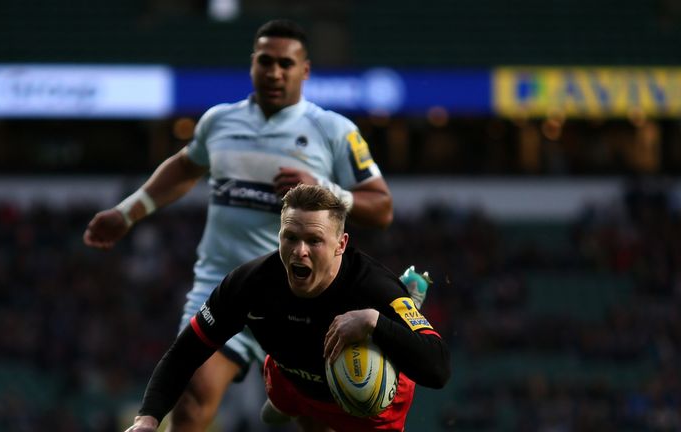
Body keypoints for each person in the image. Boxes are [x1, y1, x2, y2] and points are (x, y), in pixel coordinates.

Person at [84, 19, 396, 431]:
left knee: (314, 421)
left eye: (286, 63)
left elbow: (382, 207)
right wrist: (127, 213)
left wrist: (326, 189)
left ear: (304, 70)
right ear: (252, 64)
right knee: (192, 396)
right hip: (226, 287)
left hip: (304, 295)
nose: (274, 72)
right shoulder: (219, 121)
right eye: (265, 61)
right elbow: (184, 167)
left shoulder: (333, 130)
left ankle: (288, 398)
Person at [122, 184, 450, 432]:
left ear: (341, 244)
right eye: (290, 237)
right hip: (290, 379)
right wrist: (147, 419)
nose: (299, 251)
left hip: (366, 409)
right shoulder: (250, 283)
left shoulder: (374, 289)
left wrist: (375, 322)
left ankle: (406, 310)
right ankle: (285, 403)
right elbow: (184, 353)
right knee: (282, 402)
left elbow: (438, 369)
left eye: (314, 240)